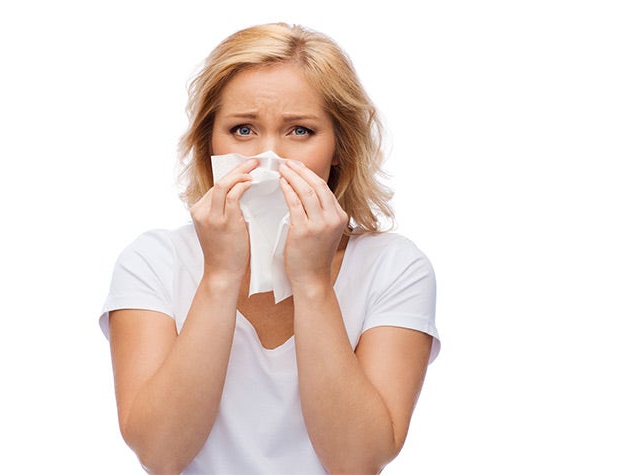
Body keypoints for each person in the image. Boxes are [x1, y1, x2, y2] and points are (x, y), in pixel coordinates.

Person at [99, 22, 440, 474]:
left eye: (299, 131)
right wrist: (220, 276)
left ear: (339, 147)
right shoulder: (153, 262)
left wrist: (313, 282)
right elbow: (161, 455)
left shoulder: (394, 268)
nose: (267, 160)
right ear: (208, 144)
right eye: (242, 130)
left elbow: (357, 462)